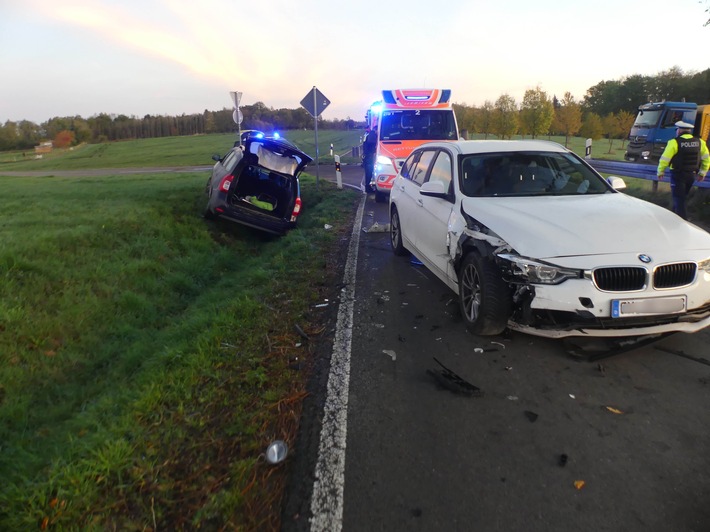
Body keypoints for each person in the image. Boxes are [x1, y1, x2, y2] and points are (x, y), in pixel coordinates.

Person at [657, 120, 710, 220]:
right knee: (681, 197)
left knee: (679, 198)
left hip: (678, 174)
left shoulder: (674, 142)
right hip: (692, 175)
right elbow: (706, 158)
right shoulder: (699, 142)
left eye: (677, 129)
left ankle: (682, 221)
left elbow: (665, 159)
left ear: (679, 131)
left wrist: (660, 171)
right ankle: (672, 217)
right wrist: (702, 173)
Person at [362, 126, 378, 193]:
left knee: (368, 172)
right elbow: (372, 144)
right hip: (369, 156)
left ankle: (368, 187)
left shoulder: (367, 134)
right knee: (369, 172)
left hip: (367, 156)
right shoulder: (372, 135)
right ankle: (368, 188)